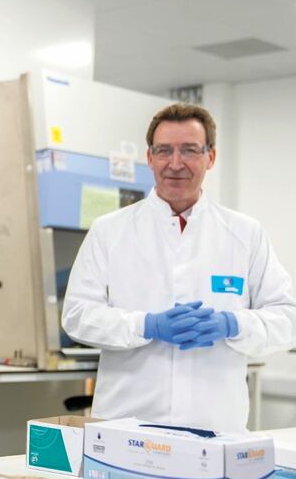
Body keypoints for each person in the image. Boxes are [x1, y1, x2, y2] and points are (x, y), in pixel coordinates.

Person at [62, 103, 296, 432]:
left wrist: (232, 324)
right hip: (126, 424)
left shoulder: (245, 234)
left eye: (189, 150)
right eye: (164, 150)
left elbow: (287, 320)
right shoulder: (109, 231)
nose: (175, 163)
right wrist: (146, 325)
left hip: (216, 426)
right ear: (149, 158)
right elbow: (77, 316)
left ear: (210, 157)